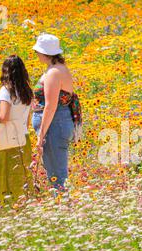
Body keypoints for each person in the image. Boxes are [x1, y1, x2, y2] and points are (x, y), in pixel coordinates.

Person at [32, 33, 80, 190]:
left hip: (54, 125)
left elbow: (50, 106)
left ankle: (63, 205)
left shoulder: (53, 73)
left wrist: (41, 135)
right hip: (57, 123)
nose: (36, 55)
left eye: (37, 52)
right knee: (55, 172)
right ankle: (61, 202)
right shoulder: (58, 69)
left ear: (44, 53)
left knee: (57, 174)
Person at [0, 55, 34, 205]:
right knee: (22, 174)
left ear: (5, 71)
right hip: (23, 138)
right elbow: (27, 121)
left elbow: (4, 116)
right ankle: (23, 204)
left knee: (5, 173)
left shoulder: (6, 90)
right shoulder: (27, 91)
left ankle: (6, 207)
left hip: (8, 140)